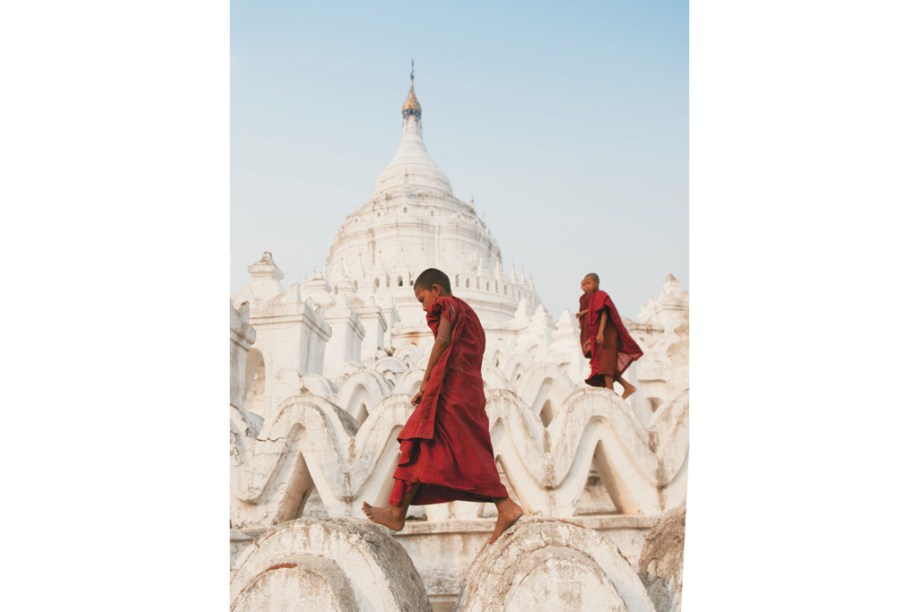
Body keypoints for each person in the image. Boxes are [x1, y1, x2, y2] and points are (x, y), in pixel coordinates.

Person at [362, 268, 523, 544]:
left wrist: (425, 381)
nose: (424, 307)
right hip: (464, 390)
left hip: (451, 388)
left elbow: (443, 340)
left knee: (429, 441)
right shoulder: (471, 315)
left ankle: (504, 505)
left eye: (422, 299)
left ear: (436, 291)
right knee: (429, 443)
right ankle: (398, 510)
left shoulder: (447, 305)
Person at [575, 273, 643, 399]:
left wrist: (600, 333)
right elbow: (592, 313)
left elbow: (604, 314)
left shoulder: (601, 295)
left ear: (597, 283)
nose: (586, 287)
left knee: (605, 364)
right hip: (596, 336)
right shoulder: (588, 299)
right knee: (602, 365)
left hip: (606, 334)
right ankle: (627, 387)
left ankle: (611, 394)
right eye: (583, 285)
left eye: (588, 283)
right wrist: (583, 314)